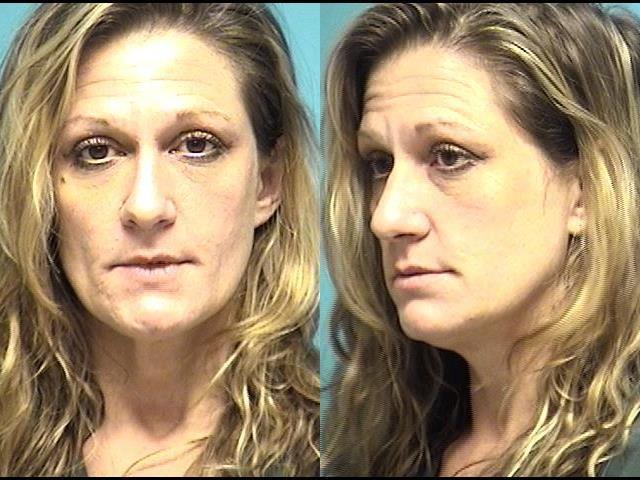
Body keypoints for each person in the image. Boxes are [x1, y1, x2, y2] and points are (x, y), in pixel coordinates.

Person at [0, 3, 318, 476]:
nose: (146, 206)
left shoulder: (337, 442)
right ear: (41, 191)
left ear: (268, 183)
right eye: (96, 151)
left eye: (197, 145)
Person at [322, 2, 640, 476]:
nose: (387, 218)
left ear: (587, 191)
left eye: (449, 157)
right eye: (379, 164)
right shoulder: (363, 444)